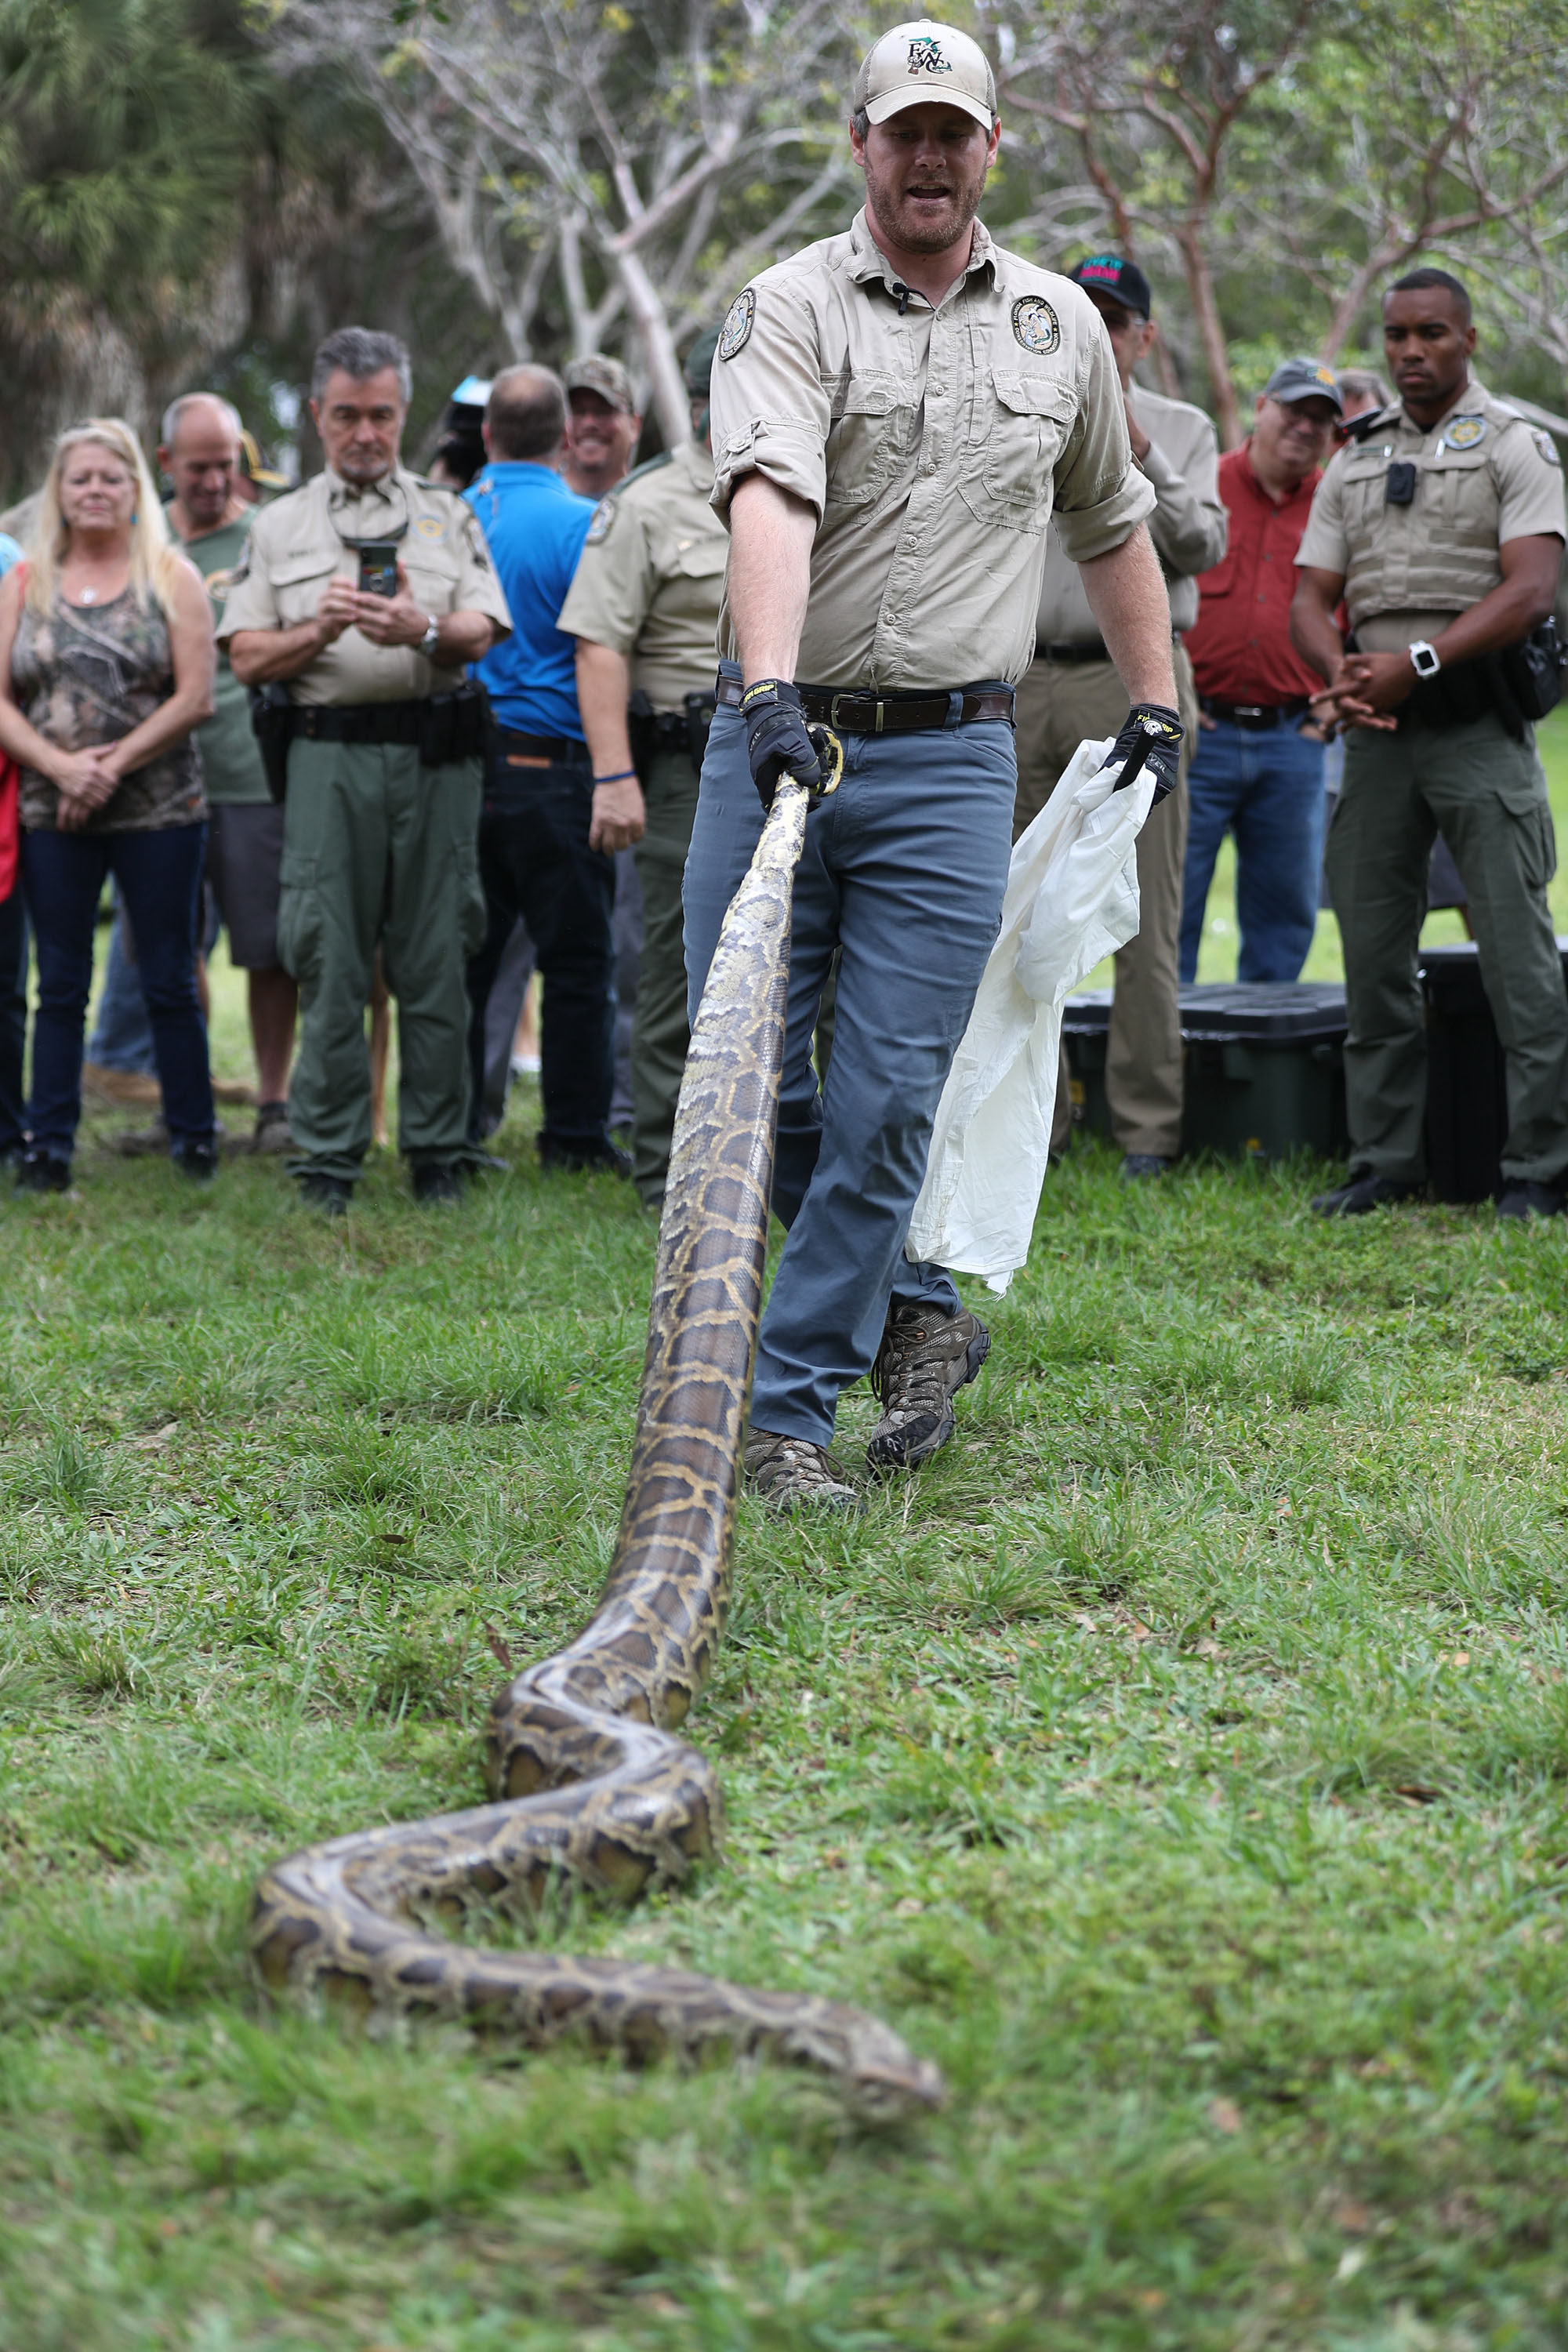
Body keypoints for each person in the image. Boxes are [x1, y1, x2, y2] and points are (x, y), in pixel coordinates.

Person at [689, 17, 1176, 1512]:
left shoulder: (1058, 328)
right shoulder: (785, 304)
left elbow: (1110, 521)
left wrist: (1157, 703)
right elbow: (770, 493)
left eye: (952, 130)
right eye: (902, 129)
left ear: (989, 149)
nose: (927, 154)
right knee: (744, 1087)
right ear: (861, 145)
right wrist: (770, 699)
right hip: (778, 741)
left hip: (955, 764)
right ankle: (910, 1305)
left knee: (892, 1094)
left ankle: (780, 1419)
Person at [1293, 266, 1568, 1220]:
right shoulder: (1354, 455)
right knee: (1370, 952)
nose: (1410, 352)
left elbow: (1530, 587)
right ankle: (1384, 1161)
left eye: (1431, 335)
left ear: (1468, 339)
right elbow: (1308, 595)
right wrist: (1339, 671)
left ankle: (1536, 1166)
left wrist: (1416, 660)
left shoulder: (1513, 447)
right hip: (1374, 737)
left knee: (1514, 954)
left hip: (1475, 731)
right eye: (1396, 336)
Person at [222, 326, 511, 1214]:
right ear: (316, 416)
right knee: (328, 957)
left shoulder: (445, 512)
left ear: (400, 414)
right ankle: (328, 1157)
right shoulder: (279, 524)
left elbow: (486, 628)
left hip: (434, 756)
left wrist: (420, 629)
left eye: (380, 415)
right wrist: (320, 629)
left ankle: (436, 1152)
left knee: (435, 954)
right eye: (345, 415)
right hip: (326, 760)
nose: (364, 433)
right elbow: (244, 655)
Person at [1016, 253, 1223, 1178]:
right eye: (1081, 312)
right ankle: (1034, 1124)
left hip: (1129, 680)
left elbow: (1200, 546)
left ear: (1143, 335)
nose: (1097, 330)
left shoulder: (1180, 426)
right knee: (1011, 905)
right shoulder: (1017, 405)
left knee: (1144, 911)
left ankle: (1145, 1128)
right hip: (1018, 684)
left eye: (1114, 317)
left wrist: (1137, 446)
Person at [0, 418, 217, 1192]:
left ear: (135, 491)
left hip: (161, 810)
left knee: (166, 971)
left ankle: (194, 1138)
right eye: (80, 478)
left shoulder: (171, 575)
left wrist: (112, 764)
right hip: (54, 811)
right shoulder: (26, 582)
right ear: (58, 493)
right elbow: (1, 700)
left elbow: (196, 697)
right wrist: (61, 767)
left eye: (110, 478)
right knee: (59, 981)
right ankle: (49, 1146)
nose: (95, 491)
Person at [560, 325, 728, 1207]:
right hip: (681, 768)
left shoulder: (811, 485)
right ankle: (664, 1168)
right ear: (698, 402)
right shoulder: (650, 504)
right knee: (672, 967)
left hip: (791, 763)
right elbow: (599, 646)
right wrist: (612, 774)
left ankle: (778, 1160)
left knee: (800, 965)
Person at [464, 366, 626, 1174]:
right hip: (558, 773)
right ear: (565, 437)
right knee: (576, 966)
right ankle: (572, 1137)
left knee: (466, 961)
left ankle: (453, 1128)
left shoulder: (449, 520)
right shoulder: (585, 524)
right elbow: (603, 647)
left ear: (487, 435)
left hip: (463, 772)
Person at [160, 392, 298, 1152]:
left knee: (266, 948)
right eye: (198, 467)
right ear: (165, 465)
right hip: (160, 785)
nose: (215, 481)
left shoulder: (262, 540)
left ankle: (273, 1104)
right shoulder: (139, 540)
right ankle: (185, 1102)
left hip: (250, 778)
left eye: (225, 466)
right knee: (172, 952)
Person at [1178, 359, 1342, 985]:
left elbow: (1356, 609)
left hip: (1293, 740)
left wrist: (1324, 716)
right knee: (1170, 907)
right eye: (1295, 411)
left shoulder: (1340, 504)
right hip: (1200, 735)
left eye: (1321, 420)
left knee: (1285, 912)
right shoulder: (1203, 485)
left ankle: (1266, 1067)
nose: (1305, 427)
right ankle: (1176, 1056)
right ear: (1261, 405)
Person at [561, 358, 644, 503]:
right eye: (577, 412)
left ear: (634, 425)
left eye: (603, 412)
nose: (589, 423)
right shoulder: (537, 502)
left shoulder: (650, 506)